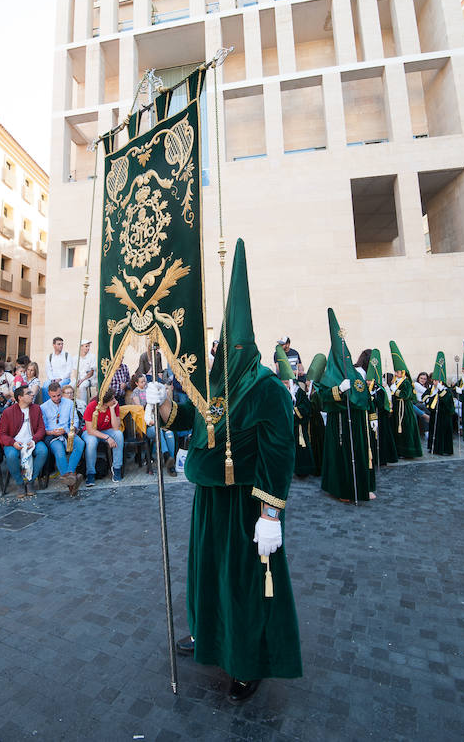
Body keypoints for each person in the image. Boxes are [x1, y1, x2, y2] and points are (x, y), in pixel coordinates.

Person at [148, 240, 301, 702]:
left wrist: (271, 514)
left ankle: (245, 661)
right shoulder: (216, 382)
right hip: (209, 499)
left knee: (242, 584)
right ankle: (209, 635)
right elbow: (198, 421)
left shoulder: (267, 388)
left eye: (228, 349)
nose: (220, 356)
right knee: (206, 574)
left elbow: (279, 454)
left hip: (245, 505)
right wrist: (164, 404)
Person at [319, 313, 375, 502]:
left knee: (357, 455)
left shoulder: (357, 375)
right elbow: (323, 397)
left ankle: (359, 488)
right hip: (339, 424)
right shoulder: (329, 376)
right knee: (339, 457)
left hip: (356, 423)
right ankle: (340, 489)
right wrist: (339, 390)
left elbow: (364, 397)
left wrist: (354, 395)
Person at [0, 386, 47, 496]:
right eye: (28, 393)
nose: (32, 394)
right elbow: (2, 434)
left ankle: (30, 481)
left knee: (43, 451)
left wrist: (34, 440)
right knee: (11, 455)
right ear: (20, 397)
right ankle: (20, 483)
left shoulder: (36, 408)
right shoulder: (8, 412)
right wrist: (13, 443)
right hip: (14, 442)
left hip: (32, 441)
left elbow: (41, 429)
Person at [275, 345, 313, 477]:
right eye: (283, 382)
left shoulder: (299, 393)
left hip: (298, 427)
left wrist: (294, 411)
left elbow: (306, 408)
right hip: (284, 427)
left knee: (299, 448)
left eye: (287, 383)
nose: (285, 385)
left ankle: (302, 470)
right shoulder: (280, 393)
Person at [40, 381, 84, 494]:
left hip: (67, 432)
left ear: (61, 392)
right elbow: (43, 427)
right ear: (49, 395)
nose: (56, 398)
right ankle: (72, 483)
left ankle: (69, 474)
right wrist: (52, 432)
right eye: (53, 396)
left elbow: (75, 421)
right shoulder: (43, 407)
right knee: (59, 452)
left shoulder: (69, 403)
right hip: (52, 435)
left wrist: (71, 430)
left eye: (59, 395)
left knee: (80, 444)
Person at [82, 390, 125, 486]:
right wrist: (107, 438)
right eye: (112, 399)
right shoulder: (92, 406)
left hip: (107, 430)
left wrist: (112, 409)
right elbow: (90, 430)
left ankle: (116, 468)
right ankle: (90, 473)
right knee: (91, 442)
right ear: (105, 402)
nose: (115, 400)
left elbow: (115, 427)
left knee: (118, 434)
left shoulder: (114, 405)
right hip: (91, 432)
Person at [389, 342, 422, 459]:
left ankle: (409, 451)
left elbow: (406, 395)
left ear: (402, 372)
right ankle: (400, 450)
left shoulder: (406, 382)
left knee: (406, 428)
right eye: (396, 372)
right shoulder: (397, 381)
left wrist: (395, 391)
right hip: (398, 407)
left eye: (398, 372)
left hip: (405, 408)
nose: (396, 373)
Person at [366, 349, 397, 467]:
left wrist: (374, 397)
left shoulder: (380, 390)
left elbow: (380, 403)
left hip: (381, 418)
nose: (368, 382)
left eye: (370, 380)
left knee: (381, 439)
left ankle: (382, 458)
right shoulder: (368, 389)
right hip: (371, 418)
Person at [423, 353, 454, 456]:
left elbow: (447, 400)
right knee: (433, 430)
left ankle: (444, 449)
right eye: (434, 380)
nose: (435, 382)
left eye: (437, 380)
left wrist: (440, 391)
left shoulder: (446, 390)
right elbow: (425, 396)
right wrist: (429, 399)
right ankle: (434, 447)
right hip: (434, 413)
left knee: (443, 432)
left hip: (444, 414)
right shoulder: (431, 389)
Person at [304, 354, 327, 476]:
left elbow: (317, 407)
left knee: (318, 445)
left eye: (308, 384)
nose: (306, 385)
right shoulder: (311, 393)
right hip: (313, 424)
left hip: (318, 424)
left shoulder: (317, 394)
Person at [42, 336, 73, 402]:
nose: (61, 346)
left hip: (64, 379)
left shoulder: (67, 355)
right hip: (52, 379)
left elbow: (68, 371)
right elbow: (48, 370)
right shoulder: (49, 356)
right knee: (45, 386)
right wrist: (53, 379)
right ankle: (48, 404)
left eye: (62, 344)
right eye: (59, 344)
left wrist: (60, 378)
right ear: (54, 345)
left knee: (60, 386)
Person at [73, 339, 97, 404]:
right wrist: (77, 379)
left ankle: (83, 406)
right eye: (86, 346)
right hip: (79, 379)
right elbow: (75, 371)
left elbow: (91, 372)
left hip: (88, 379)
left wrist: (82, 380)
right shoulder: (76, 358)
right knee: (70, 386)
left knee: (82, 386)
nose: (88, 348)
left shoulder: (92, 356)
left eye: (88, 346)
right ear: (81, 347)